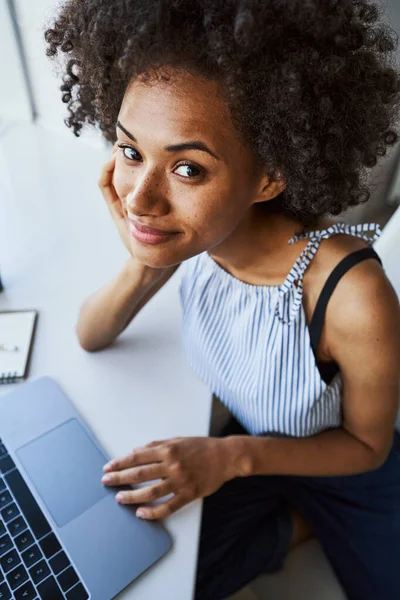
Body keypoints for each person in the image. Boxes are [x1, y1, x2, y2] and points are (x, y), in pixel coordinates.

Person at [45, 1, 400, 598]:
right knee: (160, 574)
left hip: (342, 468)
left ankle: (307, 521)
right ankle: (291, 528)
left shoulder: (351, 294)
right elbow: (90, 333)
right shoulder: (194, 235)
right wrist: (144, 255)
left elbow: (368, 447)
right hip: (250, 451)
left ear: (270, 178)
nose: (140, 200)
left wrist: (232, 457)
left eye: (187, 168)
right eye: (132, 152)